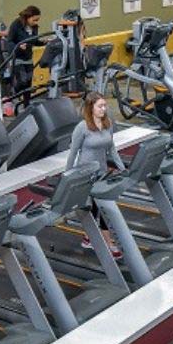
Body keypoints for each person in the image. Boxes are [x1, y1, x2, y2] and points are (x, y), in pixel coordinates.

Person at [68, 91, 125, 257]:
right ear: (90, 107)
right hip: (85, 174)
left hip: (102, 171)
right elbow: (73, 153)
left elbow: (112, 150)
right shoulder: (82, 127)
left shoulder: (108, 124)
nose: (103, 109)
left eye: (105, 106)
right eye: (100, 106)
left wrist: (122, 169)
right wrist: (68, 177)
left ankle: (88, 237)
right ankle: (108, 242)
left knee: (98, 206)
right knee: (99, 206)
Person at [5, 5, 44, 115]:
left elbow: (34, 41)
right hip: (17, 58)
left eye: (38, 20)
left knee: (28, 82)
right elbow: (9, 41)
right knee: (22, 80)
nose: (36, 22)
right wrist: (18, 46)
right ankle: (12, 96)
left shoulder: (34, 27)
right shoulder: (16, 24)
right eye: (34, 19)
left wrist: (43, 42)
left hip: (28, 58)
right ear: (28, 17)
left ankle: (27, 105)